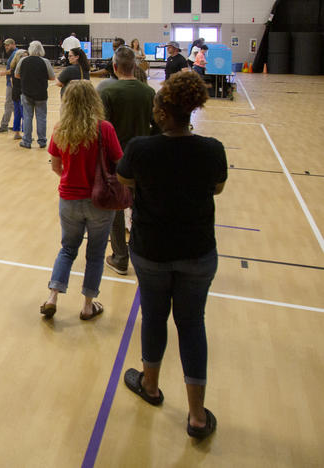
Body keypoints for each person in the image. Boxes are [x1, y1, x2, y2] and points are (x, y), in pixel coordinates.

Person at [118, 71, 226, 439]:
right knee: (192, 324)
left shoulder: (140, 148)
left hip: (151, 250)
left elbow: (127, 181)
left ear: (163, 113)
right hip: (197, 250)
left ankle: (150, 386)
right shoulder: (212, 149)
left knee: (153, 317)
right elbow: (218, 188)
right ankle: (197, 416)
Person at [40, 80, 122, 320]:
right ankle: (88, 305)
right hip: (100, 201)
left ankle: (52, 296)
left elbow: (56, 166)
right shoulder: (104, 128)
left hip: (69, 198)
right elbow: (119, 161)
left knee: (67, 249)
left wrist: (70, 176)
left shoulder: (60, 129)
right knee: (95, 254)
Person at [100, 46, 157, 276]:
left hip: (116, 159)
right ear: (135, 66)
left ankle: (120, 257)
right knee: (140, 206)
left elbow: (102, 129)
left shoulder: (108, 92)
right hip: (142, 159)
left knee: (116, 208)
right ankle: (145, 253)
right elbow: (159, 125)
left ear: (114, 67)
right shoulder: (149, 92)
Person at [14, 40, 55, 148]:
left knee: (27, 117)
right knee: (41, 117)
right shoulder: (45, 61)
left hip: (26, 92)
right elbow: (52, 77)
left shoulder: (23, 60)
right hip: (41, 93)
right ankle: (42, 141)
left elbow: (16, 75)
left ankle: (26, 141)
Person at [0, 38, 18, 133]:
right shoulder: (14, 54)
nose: (6, 47)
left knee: (8, 104)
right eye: (5, 46)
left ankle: (4, 125)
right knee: (14, 105)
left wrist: (4, 72)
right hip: (12, 83)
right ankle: (17, 124)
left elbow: (14, 70)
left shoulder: (15, 54)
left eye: (8, 45)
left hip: (12, 84)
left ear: (13, 44)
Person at [9, 49, 28, 140]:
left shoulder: (13, 68)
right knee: (25, 114)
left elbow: (11, 81)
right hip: (21, 93)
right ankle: (26, 134)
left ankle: (16, 133)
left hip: (15, 92)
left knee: (17, 114)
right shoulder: (22, 68)